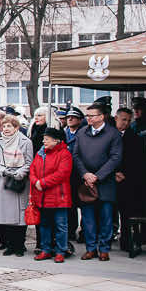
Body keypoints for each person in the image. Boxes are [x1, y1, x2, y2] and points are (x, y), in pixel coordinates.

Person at [73, 104, 122, 261]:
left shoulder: (113, 134)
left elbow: (115, 157)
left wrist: (98, 176)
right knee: (88, 219)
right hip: (87, 183)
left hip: (105, 182)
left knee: (106, 218)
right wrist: (85, 174)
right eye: (87, 116)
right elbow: (76, 156)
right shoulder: (82, 133)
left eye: (92, 116)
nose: (89, 118)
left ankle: (104, 248)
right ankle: (91, 248)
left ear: (102, 117)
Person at [0, 115, 33, 257]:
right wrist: (4, 171)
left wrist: (20, 173)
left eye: (9, 126)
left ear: (16, 127)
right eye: (4, 126)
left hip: (19, 181)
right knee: (6, 215)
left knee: (20, 216)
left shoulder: (25, 142)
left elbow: (29, 162)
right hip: (4, 180)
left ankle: (20, 245)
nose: (6, 129)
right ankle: (9, 245)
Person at [30, 127, 73, 263]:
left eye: (47, 139)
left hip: (58, 196)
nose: (44, 141)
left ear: (56, 140)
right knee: (44, 225)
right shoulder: (40, 153)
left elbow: (62, 174)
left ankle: (61, 250)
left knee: (61, 225)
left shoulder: (64, 154)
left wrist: (42, 182)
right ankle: (46, 249)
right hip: (42, 196)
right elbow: (32, 169)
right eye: (44, 139)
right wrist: (35, 181)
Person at [114, 107, 146, 254]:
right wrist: (113, 173)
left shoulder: (134, 138)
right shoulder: (108, 134)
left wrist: (124, 174)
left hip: (126, 181)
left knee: (126, 212)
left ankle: (127, 241)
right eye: (123, 119)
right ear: (116, 118)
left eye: (129, 120)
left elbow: (138, 161)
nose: (126, 123)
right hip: (108, 177)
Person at [64, 106, 85, 247]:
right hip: (67, 174)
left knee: (84, 203)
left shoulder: (83, 134)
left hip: (80, 174)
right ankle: (71, 230)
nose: (70, 119)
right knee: (69, 205)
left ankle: (84, 231)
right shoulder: (63, 133)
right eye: (68, 117)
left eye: (73, 117)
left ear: (80, 120)